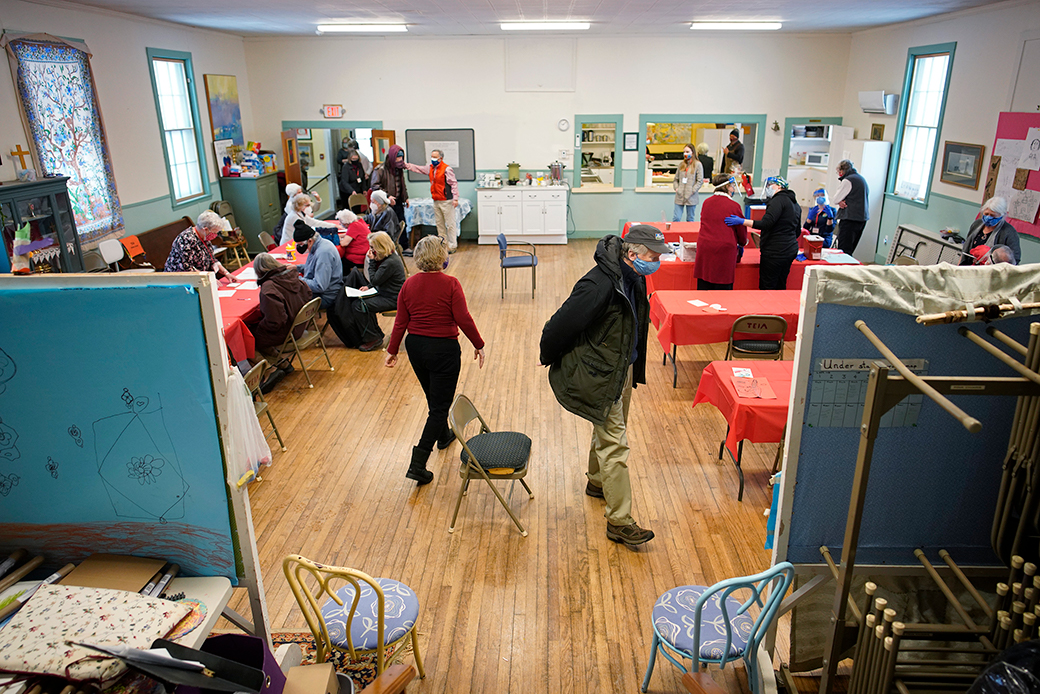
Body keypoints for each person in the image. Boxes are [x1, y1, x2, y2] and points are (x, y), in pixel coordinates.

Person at [539, 225, 668, 546]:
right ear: (632, 253)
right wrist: (549, 357)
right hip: (602, 373)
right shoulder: (598, 284)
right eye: (653, 257)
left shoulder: (634, 278)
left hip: (621, 369)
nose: (657, 263)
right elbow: (560, 324)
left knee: (607, 425)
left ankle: (597, 482)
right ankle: (620, 521)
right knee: (616, 444)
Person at [385, 236, 485, 486]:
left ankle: (444, 437)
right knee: (440, 406)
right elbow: (463, 317)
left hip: (416, 347)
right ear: (442, 257)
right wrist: (479, 344)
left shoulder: (408, 285)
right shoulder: (451, 283)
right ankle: (418, 463)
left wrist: (393, 350)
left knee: (434, 397)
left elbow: (400, 321)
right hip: (443, 348)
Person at [328, 231, 406, 351]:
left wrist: (372, 261)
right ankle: (375, 333)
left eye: (372, 247)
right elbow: (380, 280)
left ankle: (372, 338)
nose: (370, 250)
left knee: (360, 306)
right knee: (359, 303)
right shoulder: (388, 257)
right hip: (386, 293)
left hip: (392, 298)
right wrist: (368, 287)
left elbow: (374, 279)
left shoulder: (390, 262)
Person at [725, 175, 801, 290]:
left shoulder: (778, 201)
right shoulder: (795, 204)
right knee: (781, 283)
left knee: (768, 285)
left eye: (770, 185)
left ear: (779, 186)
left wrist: (742, 221)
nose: (768, 188)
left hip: (775, 251)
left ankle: (767, 307)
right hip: (790, 249)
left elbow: (766, 223)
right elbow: (797, 231)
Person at [246, 253, 312, 351]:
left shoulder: (269, 290)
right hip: (300, 325)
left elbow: (275, 322)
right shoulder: (293, 276)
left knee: (247, 337)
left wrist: (259, 327)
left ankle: (279, 363)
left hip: (287, 332)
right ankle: (277, 361)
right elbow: (309, 295)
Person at [694, 174, 747, 290]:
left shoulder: (706, 203)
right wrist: (742, 243)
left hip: (705, 247)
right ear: (728, 187)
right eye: (733, 186)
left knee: (704, 287)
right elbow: (741, 229)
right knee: (722, 291)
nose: (734, 188)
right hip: (724, 249)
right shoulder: (734, 206)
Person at [404, 149, 460, 253]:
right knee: (439, 224)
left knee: (450, 224)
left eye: (435, 157)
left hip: (446, 200)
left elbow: (453, 184)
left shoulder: (447, 169)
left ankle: (452, 246)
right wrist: (406, 165)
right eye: (432, 157)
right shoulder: (430, 168)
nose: (432, 159)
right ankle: (443, 244)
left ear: (440, 158)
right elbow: (418, 169)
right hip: (436, 200)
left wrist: (455, 198)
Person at [164, 210, 233, 280]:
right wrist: (208, 279)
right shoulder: (187, 239)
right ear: (205, 229)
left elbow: (211, 259)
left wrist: (226, 273)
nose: (215, 235)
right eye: (214, 232)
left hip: (199, 277)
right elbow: (187, 268)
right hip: (180, 280)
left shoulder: (203, 236)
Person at [293, 221, 343, 310]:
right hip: (325, 291)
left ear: (310, 241)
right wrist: (297, 268)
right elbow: (315, 268)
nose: (299, 247)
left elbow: (319, 286)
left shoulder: (323, 253)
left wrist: (297, 279)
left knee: (289, 301)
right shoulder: (319, 245)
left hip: (326, 296)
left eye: (300, 245)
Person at [370, 144, 410, 250]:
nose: (400, 160)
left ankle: (404, 247)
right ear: (392, 157)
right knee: (389, 226)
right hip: (385, 204)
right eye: (397, 158)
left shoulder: (399, 168)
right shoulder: (380, 169)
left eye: (401, 158)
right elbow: (375, 186)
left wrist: (405, 197)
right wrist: (387, 196)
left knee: (401, 224)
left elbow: (402, 185)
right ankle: (388, 248)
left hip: (398, 202)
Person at [960, 196, 1022, 265]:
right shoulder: (977, 224)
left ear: (1001, 216)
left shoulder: (1009, 232)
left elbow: (1015, 259)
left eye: (993, 215)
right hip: (967, 267)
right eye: (986, 214)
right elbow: (965, 249)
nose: (988, 217)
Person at [831, 159, 870, 255]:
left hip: (850, 219)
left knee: (844, 249)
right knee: (851, 248)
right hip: (861, 218)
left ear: (841, 171)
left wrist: (839, 201)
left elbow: (835, 199)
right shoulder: (860, 178)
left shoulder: (848, 180)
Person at [672, 144, 704, 222]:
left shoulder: (698, 165)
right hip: (680, 195)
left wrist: (692, 190)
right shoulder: (681, 165)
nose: (685, 154)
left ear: (692, 152)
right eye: (684, 152)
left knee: (690, 219)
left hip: (691, 196)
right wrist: (676, 188)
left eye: (687, 152)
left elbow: (700, 181)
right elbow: (676, 179)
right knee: (676, 218)